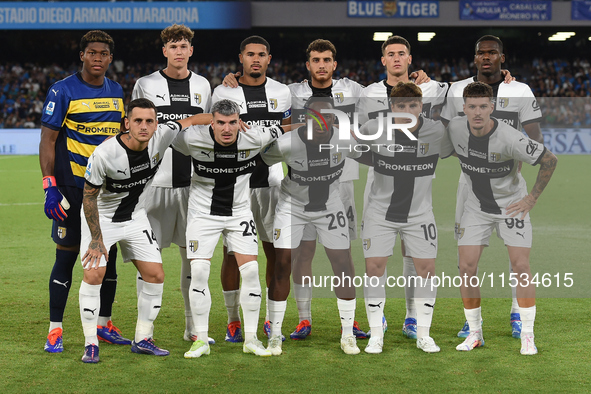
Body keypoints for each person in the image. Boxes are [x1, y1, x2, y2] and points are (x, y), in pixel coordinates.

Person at [78, 98, 210, 363]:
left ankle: (142, 338)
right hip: (102, 219)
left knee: (155, 275)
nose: (144, 126)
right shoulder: (105, 154)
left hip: (135, 217)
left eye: (149, 121)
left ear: (156, 124)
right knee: (94, 275)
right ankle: (91, 343)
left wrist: (224, 122)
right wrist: (96, 239)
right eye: (137, 121)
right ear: (127, 123)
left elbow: (192, 120)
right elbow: (89, 197)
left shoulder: (162, 137)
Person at [440, 35, 543, 339]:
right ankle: (473, 323)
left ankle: (516, 313)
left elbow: (535, 136)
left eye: (493, 53)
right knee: (467, 258)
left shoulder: (520, 90)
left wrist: (521, 153)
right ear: (474, 58)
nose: (487, 57)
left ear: (502, 57)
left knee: (518, 256)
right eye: (481, 53)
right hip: (470, 185)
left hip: (510, 185)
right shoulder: (458, 90)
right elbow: (447, 134)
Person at [444, 81, 557, 355]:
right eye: (472, 106)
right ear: (464, 108)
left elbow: (550, 160)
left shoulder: (511, 138)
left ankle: (527, 335)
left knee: (521, 267)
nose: (478, 112)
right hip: (476, 207)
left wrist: (531, 198)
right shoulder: (455, 129)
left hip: (510, 207)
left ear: (492, 107)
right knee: (466, 269)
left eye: (484, 106)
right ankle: (475, 334)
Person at [39, 30, 129, 353]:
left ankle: (104, 324)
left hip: (106, 193)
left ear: (110, 58)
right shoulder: (62, 91)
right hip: (71, 190)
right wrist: (49, 185)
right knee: (65, 258)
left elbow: (120, 138)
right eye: (92, 52)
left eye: (103, 53)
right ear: (82, 55)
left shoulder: (117, 91)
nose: (97, 58)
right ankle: (55, 329)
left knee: (109, 258)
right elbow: (47, 139)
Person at [172, 99, 284, 358]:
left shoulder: (254, 137)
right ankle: (200, 339)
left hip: (239, 214)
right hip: (203, 215)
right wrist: (191, 120)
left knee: (252, 271)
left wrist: (318, 124)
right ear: (212, 122)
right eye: (220, 123)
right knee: (198, 271)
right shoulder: (191, 139)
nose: (226, 129)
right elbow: (162, 134)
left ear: (239, 122)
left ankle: (252, 339)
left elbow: (283, 128)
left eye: (233, 122)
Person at [358, 35, 449, 340]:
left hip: (419, 180)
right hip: (381, 178)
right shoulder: (369, 94)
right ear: (383, 60)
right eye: (390, 54)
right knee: (379, 255)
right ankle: (378, 316)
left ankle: (412, 317)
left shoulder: (431, 89)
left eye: (402, 53)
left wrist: (506, 79)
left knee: (414, 250)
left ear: (410, 58)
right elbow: (360, 137)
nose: (396, 58)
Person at [131, 24, 213, 344]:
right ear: (164, 50)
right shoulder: (146, 84)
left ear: (191, 50)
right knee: (149, 261)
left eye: (184, 46)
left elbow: (209, 126)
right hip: (154, 188)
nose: (179, 51)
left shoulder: (204, 86)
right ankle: (144, 332)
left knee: (193, 258)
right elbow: (138, 131)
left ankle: (192, 327)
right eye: (173, 46)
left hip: (193, 186)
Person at [262, 97, 361, 356]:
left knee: (342, 261)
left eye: (327, 116)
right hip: (292, 205)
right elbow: (262, 158)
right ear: (305, 117)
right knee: (283, 262)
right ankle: (274, 336)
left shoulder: (344, 139)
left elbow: (366, 152)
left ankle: (348, 334)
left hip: (330, 205)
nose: (320, 121)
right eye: (315, 116)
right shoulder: (287, 143)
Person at [212, 35, 292, 343]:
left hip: (272, 182)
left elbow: (286, 131)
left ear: (269, 59)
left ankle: (272, 321)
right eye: (250, 54)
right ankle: (233, 321)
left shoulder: (281, 92)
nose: (255, 59)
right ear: (241, 58)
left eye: (261, 54)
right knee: (232, 253)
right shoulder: (224, 90)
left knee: (273, 252)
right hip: (236, 184)